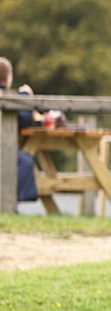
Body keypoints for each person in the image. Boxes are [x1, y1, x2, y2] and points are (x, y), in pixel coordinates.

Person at [0, 57, 39, 204]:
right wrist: (26, 97)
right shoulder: (4, 95)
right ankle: (10, 202)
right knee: (25, 161)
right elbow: (24, 119)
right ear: (7, 77)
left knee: (22, 158)